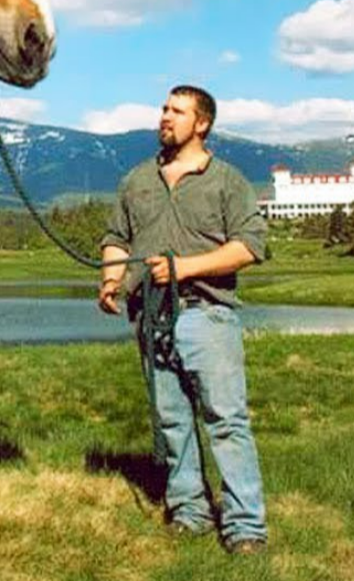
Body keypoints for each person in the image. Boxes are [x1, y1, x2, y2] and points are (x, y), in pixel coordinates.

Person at [97, 85, 269, 555]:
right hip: (151, 318)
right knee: (171, 421)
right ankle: (190, 512)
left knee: (226, 422)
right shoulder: (136, 180)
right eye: (163, 108)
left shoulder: (228, 180)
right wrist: (112, 281)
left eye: (177, 111)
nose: (165, 117)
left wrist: (185, 268)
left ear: (203, 123)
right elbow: (118, 237)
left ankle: (245, 526)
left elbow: (251, 245)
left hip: (206, 315)